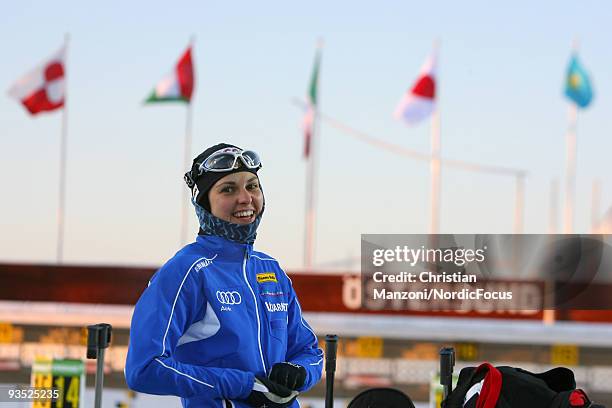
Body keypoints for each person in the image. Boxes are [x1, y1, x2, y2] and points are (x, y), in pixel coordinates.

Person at [125, 143, 323, 408]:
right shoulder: (186, 271)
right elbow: (144, 368)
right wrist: (242, 385)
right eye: (228, 189)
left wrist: (299, 372)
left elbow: (310, 352)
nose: (245, 198)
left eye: (252, 186)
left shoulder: (270, 270)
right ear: (204, 203)